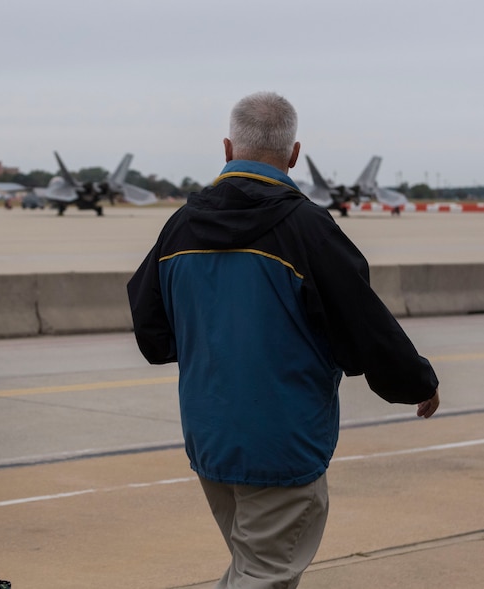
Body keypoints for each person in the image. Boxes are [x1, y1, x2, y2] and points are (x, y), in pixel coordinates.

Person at [127, 92, 440, 589]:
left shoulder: (180, 226)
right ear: (293, 155)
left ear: (228, 149)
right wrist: (415, 381)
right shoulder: (308, 228)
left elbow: (151, 333)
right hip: (282, 444)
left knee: (255, 567)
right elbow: (364, 323)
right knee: (264, 574)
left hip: (210, 440)